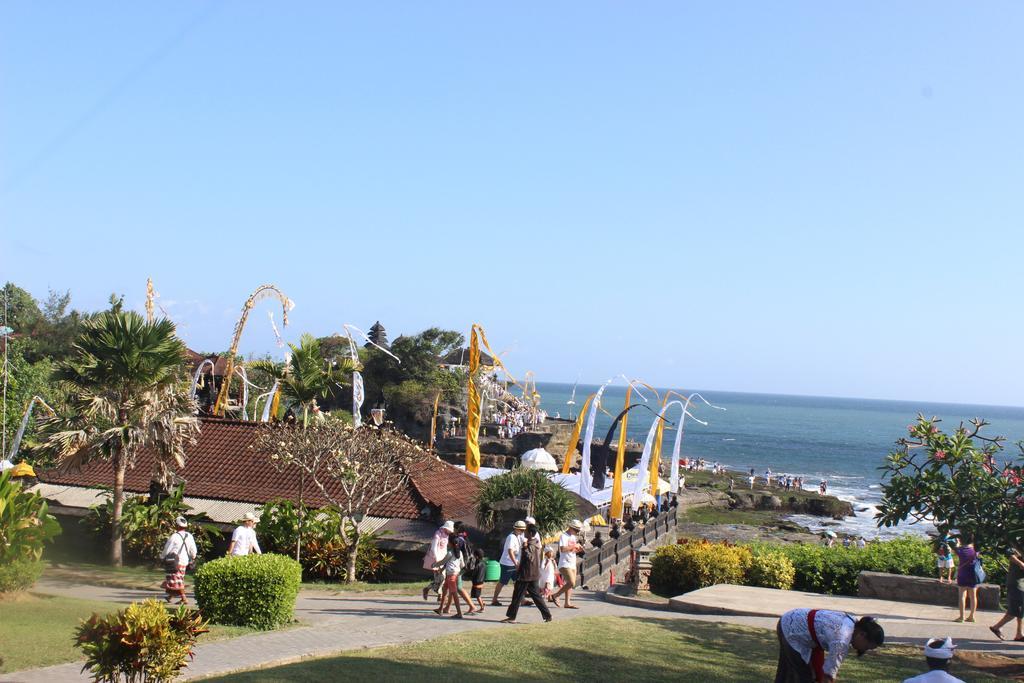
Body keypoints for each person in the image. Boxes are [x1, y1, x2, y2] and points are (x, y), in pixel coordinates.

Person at [775, 608, 884, 682]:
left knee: (791, 674)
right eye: (866, 647)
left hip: (793, 620)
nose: (864, 650)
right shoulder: (842, 639)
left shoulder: (853, 624)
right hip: (792, 628)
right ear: (862, 634)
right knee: (802, 676)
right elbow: (828, 675)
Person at [501, 523, 552, 624]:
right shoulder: (536, 542)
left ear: (530, 533)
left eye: (526, 531)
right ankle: (547, 615)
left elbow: (529, 557)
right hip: (533, 574)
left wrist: (524, 548)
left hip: (526, 574)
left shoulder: (530, 544)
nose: (524, 532)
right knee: (536, 596)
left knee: (517, 596)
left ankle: (512, 617)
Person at [990, 542, 1024, 642]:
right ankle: (996, 627)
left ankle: (1019, 634)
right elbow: (1010, 555)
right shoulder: (1018, 544)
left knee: (1021, 610)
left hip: (1020, 583)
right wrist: (1020, 563)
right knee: (1015, 611)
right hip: (1016, 583)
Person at [161, 516, 198, 605]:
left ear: (177, 526)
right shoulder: (189, 536)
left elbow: (167, 549)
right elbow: (193, 550)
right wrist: (193, 557)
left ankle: (184, 598)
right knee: (175, 579)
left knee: (177, 580)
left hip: (174, 562)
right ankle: (170, 596)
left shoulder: (174, 536)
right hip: (184, 562)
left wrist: (162, 557)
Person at [548, 520, 583, 609]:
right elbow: (563, 549)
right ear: (571, 527)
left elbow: (571, 550)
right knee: (571, 582)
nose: (577, 532)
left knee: (570, 584)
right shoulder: (564, 536)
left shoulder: (573, 537)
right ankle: (555, 595)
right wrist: (574, 546)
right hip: (564, 563)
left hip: (572, 561)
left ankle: (567, 602)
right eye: (576, 530)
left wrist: (578, 549)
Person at [491, 520, 525, 606]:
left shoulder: (517, 537)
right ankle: (494, 599)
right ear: (516, 529)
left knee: (518, 582)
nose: (522, 532)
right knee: (502, 582)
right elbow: (510, 551)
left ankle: (522, 599)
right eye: (521, 530)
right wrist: (515, 563)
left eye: (523, 530)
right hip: (508, 563)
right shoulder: (511, 537)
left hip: (513, 563)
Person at [432, 536, 468, 618]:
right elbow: (462, 565)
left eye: (448, 542)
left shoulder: (450, 553)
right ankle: (440, 609)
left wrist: (434, 564)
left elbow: (442, 562)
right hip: (454, 574)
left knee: (454, 594)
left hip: (451, 576)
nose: (447, 543)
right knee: (444, 590)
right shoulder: (460, 553)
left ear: (451, 544)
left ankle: (459, 613)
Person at [422, 520, 454, 602]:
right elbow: (433, 548)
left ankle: (430, 590)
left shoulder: (446, 535)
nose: (450, 531)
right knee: (440, 578)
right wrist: (437, 561)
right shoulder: (438, 534)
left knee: (441, 578)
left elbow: (445, 549)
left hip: (443, 559)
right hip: (436, 560)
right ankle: (438, 594)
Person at [953, 535, 981, 623]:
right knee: (973, 596)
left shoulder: (960, 550)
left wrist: (957, 543)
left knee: (962, 596)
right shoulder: (975, 550)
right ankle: (972, 616)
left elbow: (955, 549)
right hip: (973, 575)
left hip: (962, 574)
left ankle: (961, 617)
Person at [469, 547, 487, 613]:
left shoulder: (477, 564)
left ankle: (482, 607)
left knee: (477, 596)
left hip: (477, 581)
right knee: (477, 594)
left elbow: (474, 572)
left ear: (476, 556)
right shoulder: (484, 563)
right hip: (481, 581)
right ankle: (482, 603)